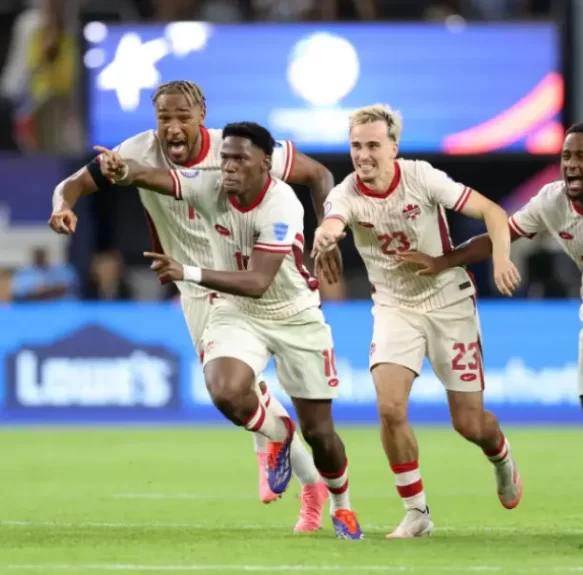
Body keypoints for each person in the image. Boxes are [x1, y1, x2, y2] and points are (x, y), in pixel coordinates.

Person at [47, 80, 333, 532]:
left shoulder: (236, 149)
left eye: (184, 116)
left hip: (252, 276)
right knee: (235, 395)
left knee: (237, 388)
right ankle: (284, 448)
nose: (174, 127)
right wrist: (63, 205)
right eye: (165, 118)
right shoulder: (136, 150)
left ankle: (301, 480)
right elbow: (74, 183)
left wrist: (327, 232)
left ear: (203, 114)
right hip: (196, 287)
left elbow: (318, 175)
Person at [397, 123, 583, 537]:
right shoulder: (552, 200)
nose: (571, 165)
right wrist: (444, 261)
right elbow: (500, 232)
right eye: (565, 157)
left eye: (581, 156)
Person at [94, 121, 364, 540]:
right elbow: (154, 176)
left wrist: (188, 271)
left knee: (321, 435)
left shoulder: (282, 205)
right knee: (223, 388)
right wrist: (122, 170)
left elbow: (258, 281)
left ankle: (341, 504)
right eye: (225, 158)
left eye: (240, 159)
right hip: (237, 312)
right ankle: (277, 432)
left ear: (266, 164)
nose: (230, 167)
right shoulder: (209, 185)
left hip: (294, 315)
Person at [310, 103, 522, 539]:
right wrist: (324, 238)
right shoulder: (346, 193)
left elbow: (494, 213)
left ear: (394, 147)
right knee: (389, 408)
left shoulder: (422, 177)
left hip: (449, 302)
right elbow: (332, 222)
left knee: (469, 423)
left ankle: (500, 456)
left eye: (372, 145)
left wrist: (501, 258)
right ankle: (417, 511)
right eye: (355, 146)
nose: (363, 155)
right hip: (394, 307)